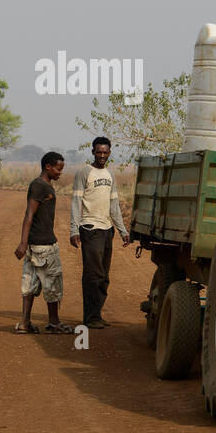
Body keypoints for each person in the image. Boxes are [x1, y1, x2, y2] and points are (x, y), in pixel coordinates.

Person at [69, 137, 130, 328]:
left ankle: (97, 314)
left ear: (109, 152)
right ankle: (90, 318)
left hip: (106, 230)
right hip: (89, 228)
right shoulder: (84, 172)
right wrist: (73, 229)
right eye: (98, 152)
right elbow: (76, 202)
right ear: (93, 152)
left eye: (105, 152)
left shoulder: (110, 175)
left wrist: (122, 230)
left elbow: (114, 206)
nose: (102, 155)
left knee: (103, 276)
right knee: (92, 274)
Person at [15, 152, 68, 334]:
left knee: (30, 283)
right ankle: (54, 322)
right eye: (58, 169)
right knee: (52, 281)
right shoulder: (40, 186)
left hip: (33, 244)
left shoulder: (44, 185)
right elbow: (29, 214)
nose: (60, 173)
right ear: (48, 166)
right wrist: (22, 242)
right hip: (44, 245)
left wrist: (26, 243)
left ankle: (24, 323)